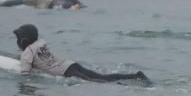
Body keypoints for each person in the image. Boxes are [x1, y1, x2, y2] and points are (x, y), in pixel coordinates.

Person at [13, 24, 148, 82]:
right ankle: (133, 76)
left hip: (66, 73)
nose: (17, 41)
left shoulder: (27, 53)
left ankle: (125, 82)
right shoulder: (40, 42)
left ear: (24, 41)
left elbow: (25, 74)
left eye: (18, 38)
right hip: (70, 65)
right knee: (102, 77)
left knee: (98, 81)